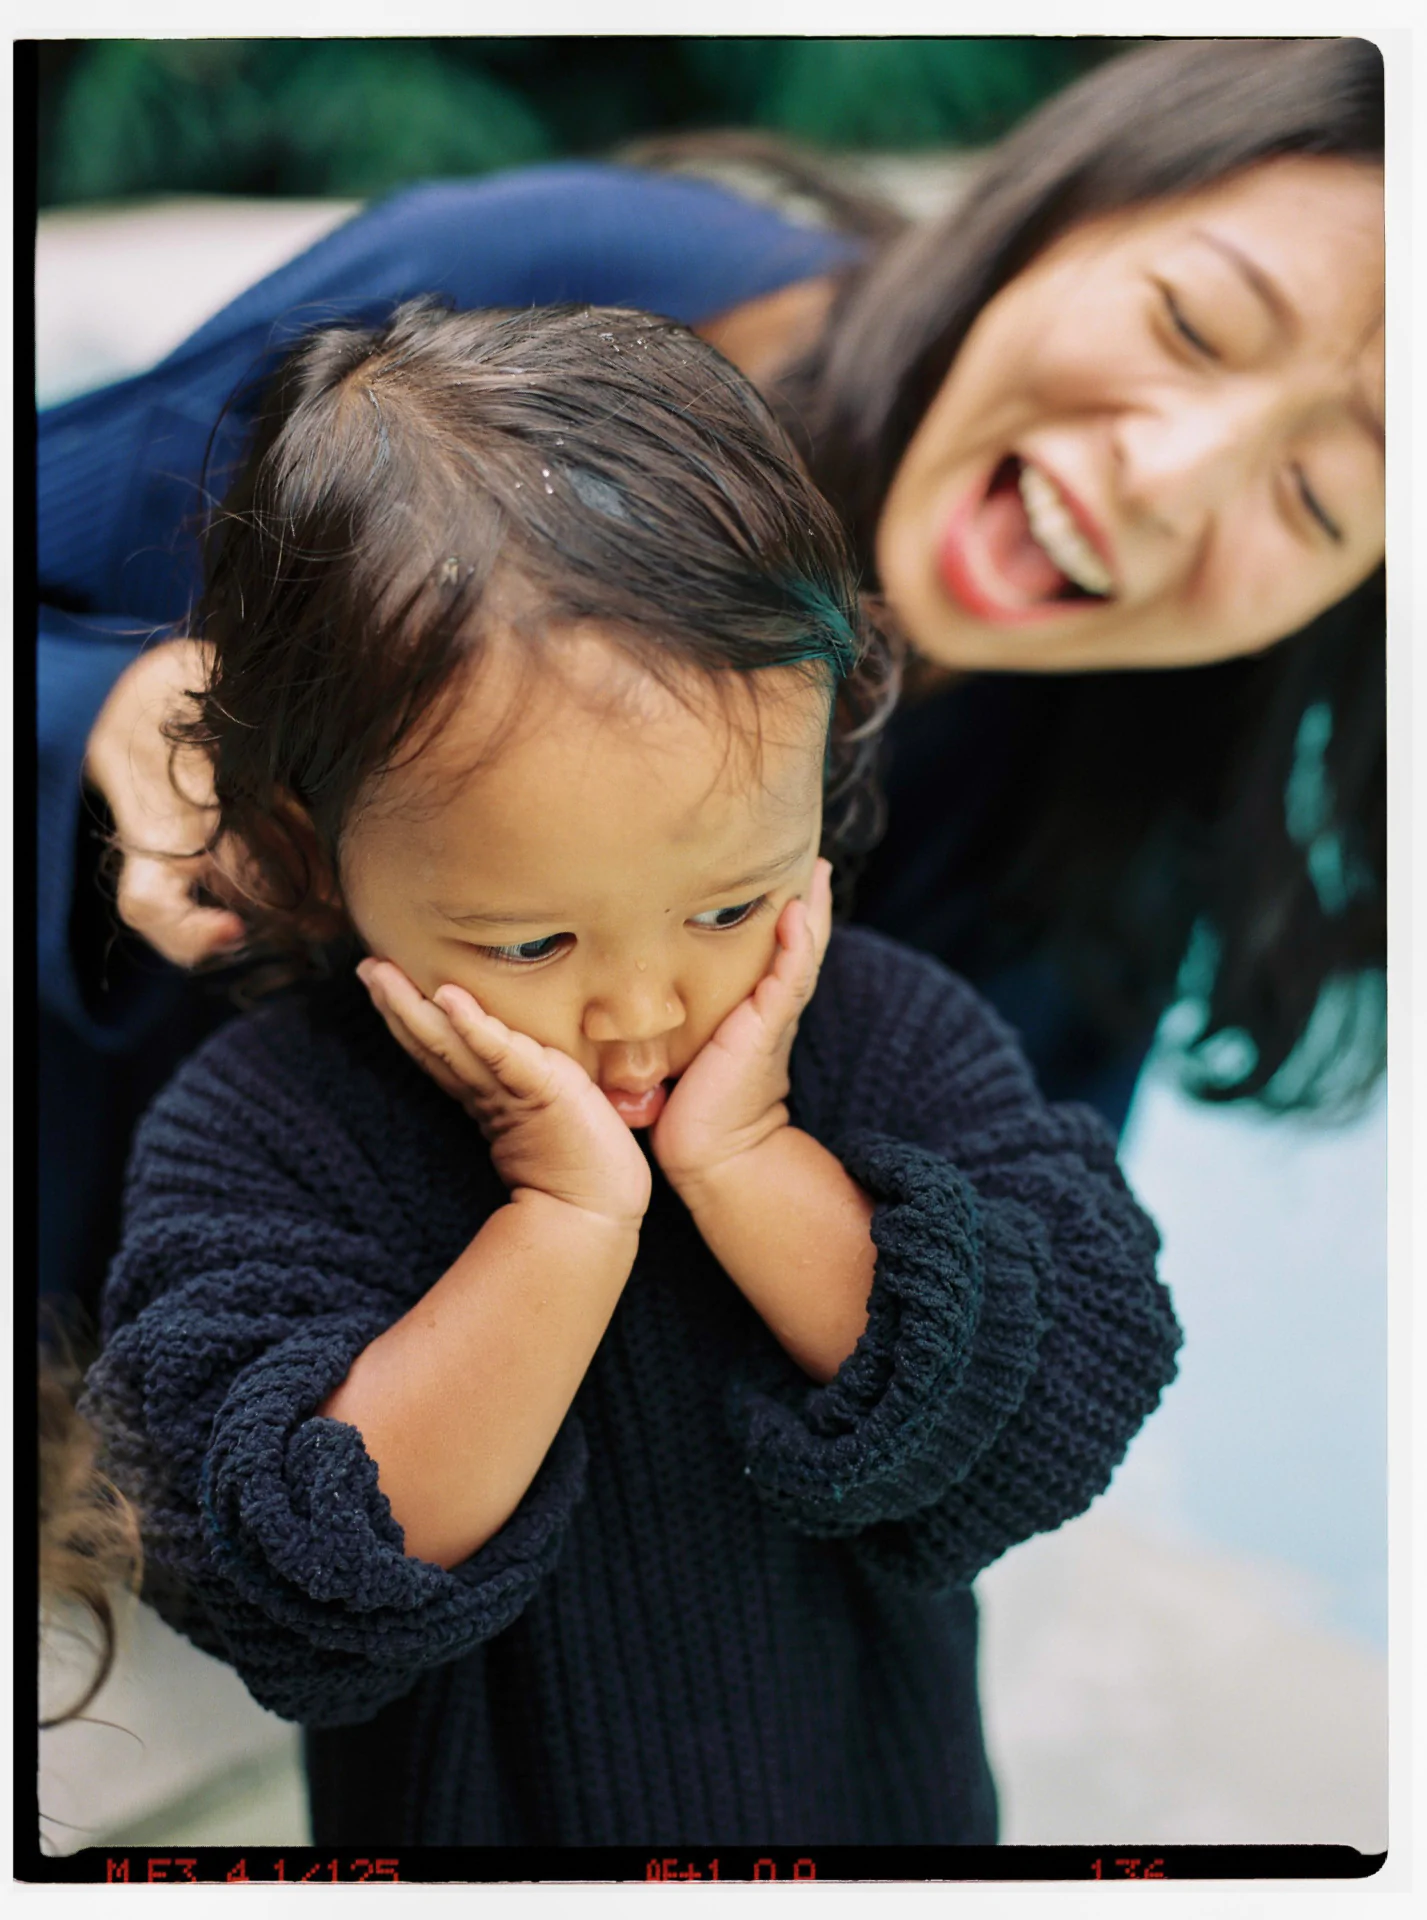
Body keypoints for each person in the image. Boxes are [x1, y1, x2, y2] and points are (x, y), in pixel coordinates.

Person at [37, 36, 1385, 1315]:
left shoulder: (1133, 791)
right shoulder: (516, 319)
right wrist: (101, 710)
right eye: (1193, 324)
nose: (1163, 482)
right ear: (1056, 211)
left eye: (1318, 497)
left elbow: (1001, 1312)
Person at [81, 301, 1180, 1847]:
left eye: (730, 904)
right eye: (530, 939)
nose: (649, 1001)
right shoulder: (267, 1126)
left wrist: (754, 1164)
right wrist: (563, 1223)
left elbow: (1069, 1381)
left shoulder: (888, 1034)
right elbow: (272, 1567)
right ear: (299, 856)